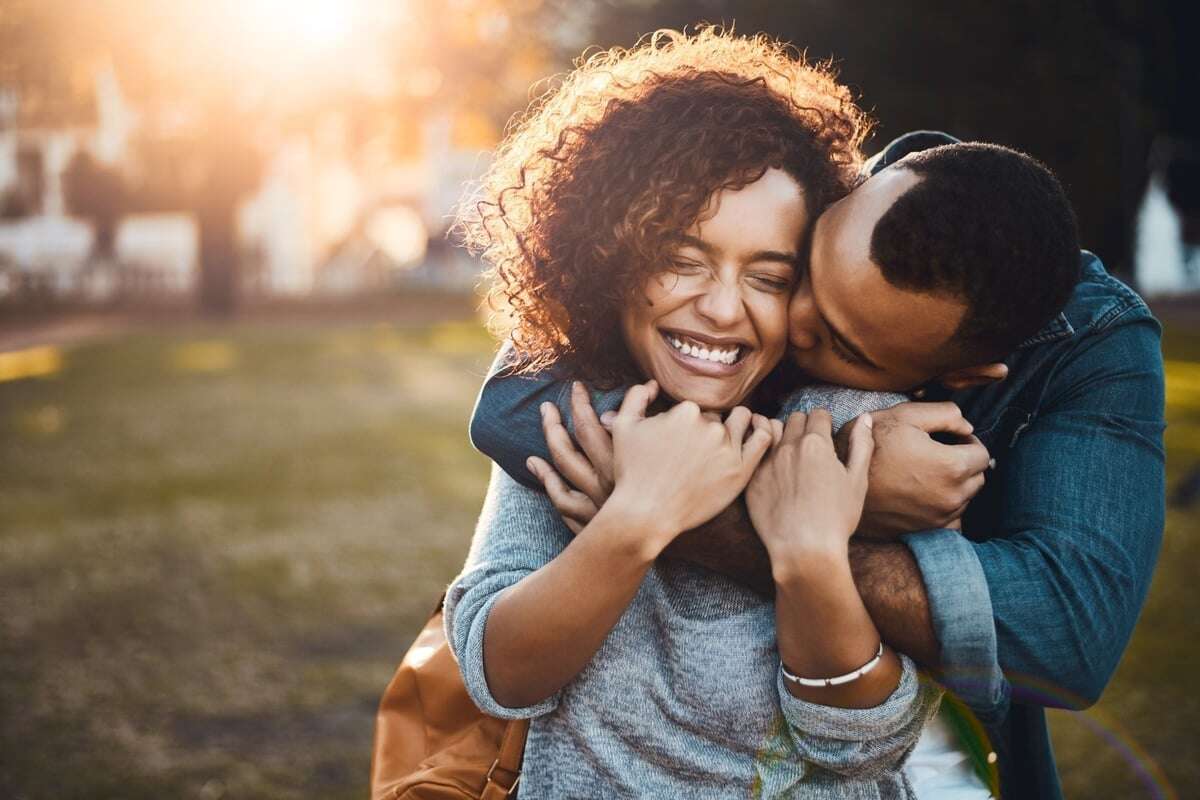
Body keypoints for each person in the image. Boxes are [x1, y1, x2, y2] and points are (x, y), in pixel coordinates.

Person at [472, 129, 1166, 798]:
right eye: (802, 269)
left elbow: (1062, 637)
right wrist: (829, 478)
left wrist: (805, 526)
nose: (787, 320)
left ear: (960, 377)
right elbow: (510, 405)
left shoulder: (1076, 349)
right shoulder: (786, 202)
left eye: (842, 340)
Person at [446, 28, 945, 798]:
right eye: (681, 260)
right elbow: (500, 675)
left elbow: (864, 748)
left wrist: (807, 554)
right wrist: (639, 516)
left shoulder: (854, 426)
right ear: (610, 256)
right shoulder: (573, 409)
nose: (719, 310)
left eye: (768, 277)